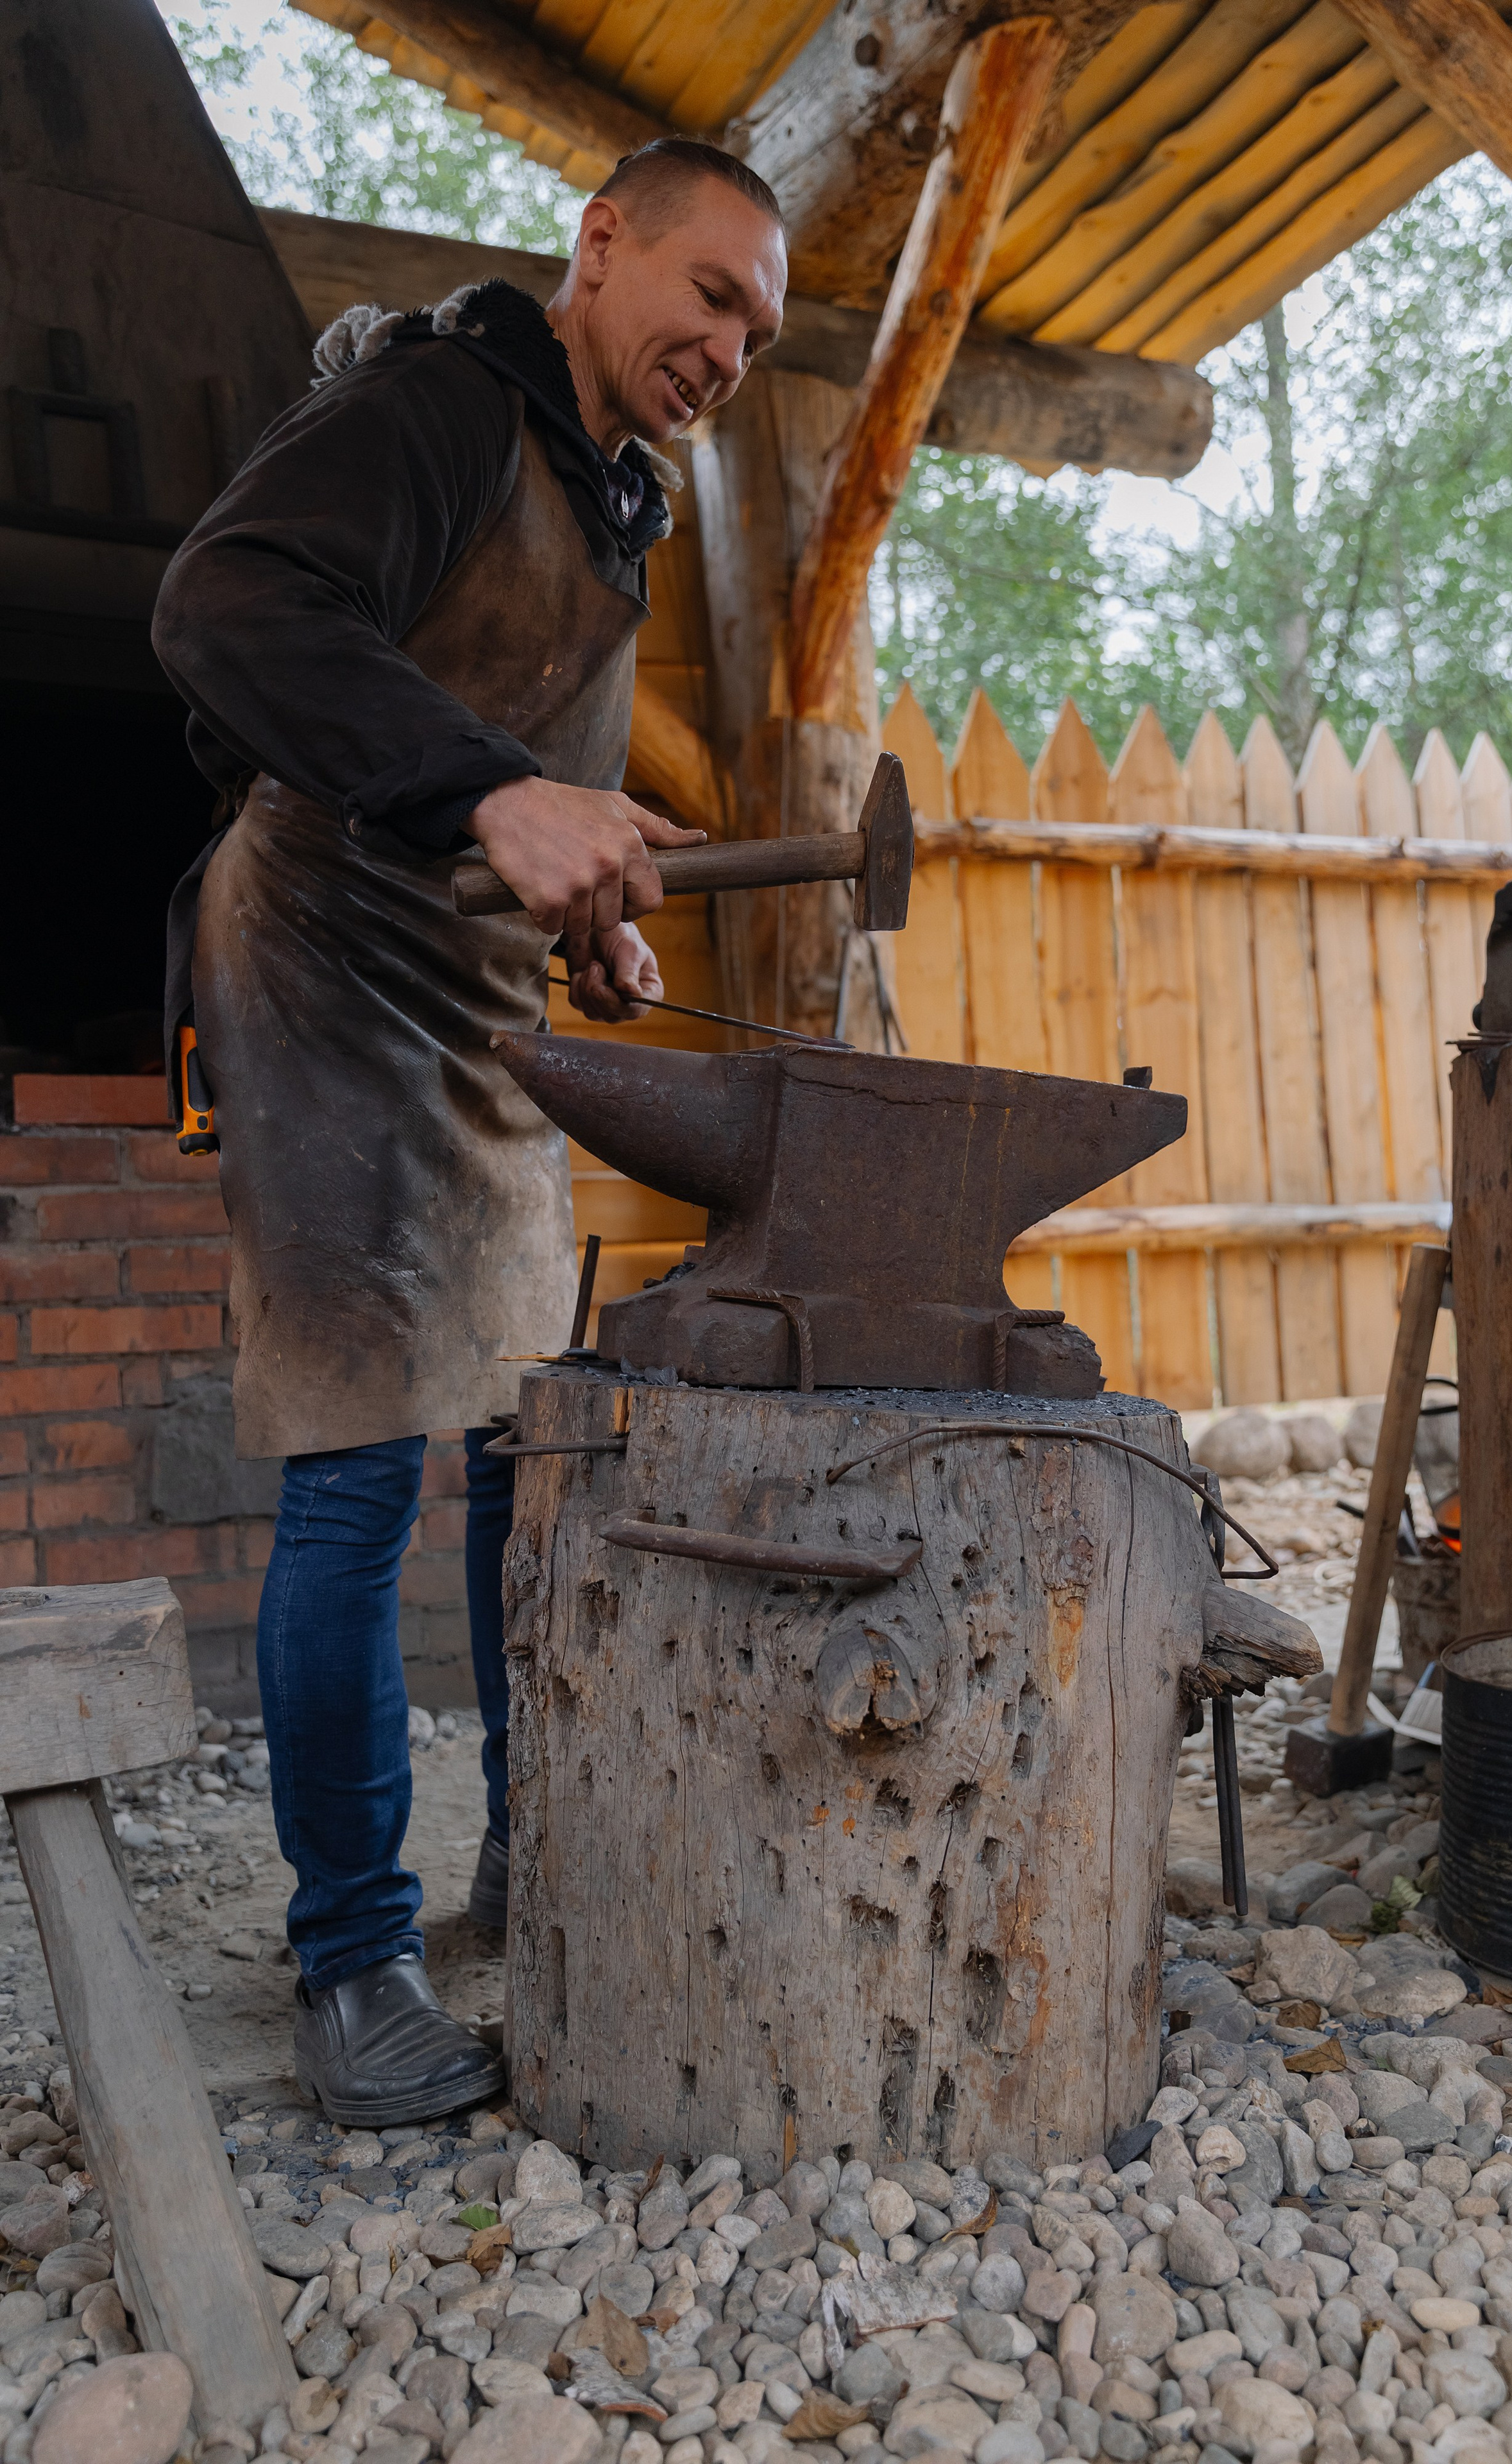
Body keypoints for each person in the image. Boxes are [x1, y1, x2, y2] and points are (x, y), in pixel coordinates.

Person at [152, 139, 788, 2126]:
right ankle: (351, 1961)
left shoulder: (625, 507)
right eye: (706, 293)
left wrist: (577, 900)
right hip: (329, 968)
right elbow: (224, 607)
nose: (728, 346)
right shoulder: (431, 402)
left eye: (759, 327)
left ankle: (545, 1850)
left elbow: (523, 775)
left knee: (530, 1463)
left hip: (481, 1000)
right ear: (599, 251)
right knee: (359, 1475)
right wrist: (490, 802)